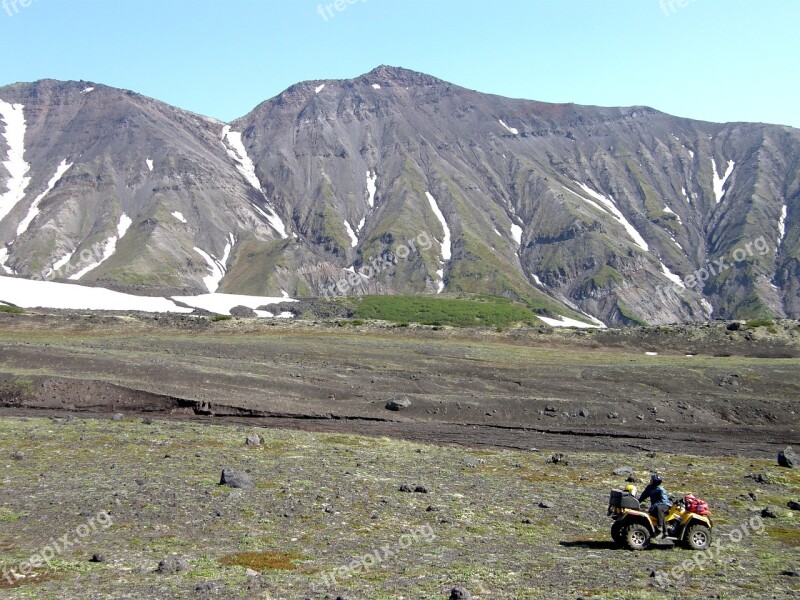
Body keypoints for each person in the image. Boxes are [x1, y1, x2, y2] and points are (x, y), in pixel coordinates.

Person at [639, 474, 671, 538]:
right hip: (655, 506)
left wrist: (654, 506)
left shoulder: (661, 490)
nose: (650, 481)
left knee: (659, 509)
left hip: (664, 505)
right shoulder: (649, 488)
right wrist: (637, 502)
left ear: (655, 482)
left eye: (652, 480)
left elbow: (663, 501)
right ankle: (661, 531)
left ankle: (660, 527)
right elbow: (643, 496)